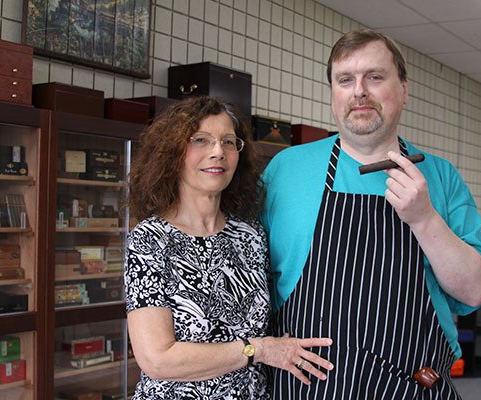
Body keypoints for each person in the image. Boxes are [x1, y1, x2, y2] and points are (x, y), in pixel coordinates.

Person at [261, 29, 481, 399]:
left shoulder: (440, 177)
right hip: (305, 385)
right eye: (345, 80)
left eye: (374, 77)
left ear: (403, 90)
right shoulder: (286, 170)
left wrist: (424, 218)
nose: (359, 91)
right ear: (333, 93)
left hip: (411, 384)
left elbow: (474, 292)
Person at [124, 96, 333, 400]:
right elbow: (157, 359)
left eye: (228, 142)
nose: (217, 152)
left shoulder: (250, 234)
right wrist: (257, 350)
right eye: (201, 140)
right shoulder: (151, 239)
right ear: (173, 152)